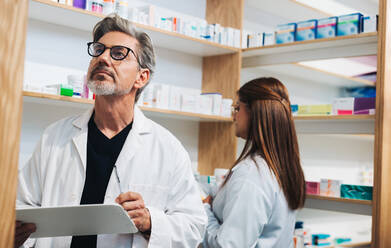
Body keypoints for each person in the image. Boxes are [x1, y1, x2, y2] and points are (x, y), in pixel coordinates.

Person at [15, 15, 207, 248]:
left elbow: (194, 226)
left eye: (118, 53)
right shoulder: (54, 138)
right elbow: (22, 206)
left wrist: (150, 221)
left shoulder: (168, 149)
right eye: (98, 50)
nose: (103, 57)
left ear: (141, 77)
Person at [202, 77, 306, 248]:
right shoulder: (282, 167)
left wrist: (205, 211)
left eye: (237, 108)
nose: (234, 115)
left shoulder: (252, 174)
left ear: (255, 112)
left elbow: (228, 246)